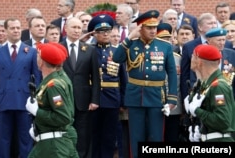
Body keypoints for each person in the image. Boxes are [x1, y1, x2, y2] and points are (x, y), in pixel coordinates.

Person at [113, 10, 177, 158]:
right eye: (149, 27)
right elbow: (117, 58)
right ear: (140, 28)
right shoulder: (131, 44)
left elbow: (172, 73)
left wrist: (172, 98)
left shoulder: (165, 46)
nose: (153, 31)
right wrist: (129, 38)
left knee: (156, 136)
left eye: (155, 27)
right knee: (136, 136)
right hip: (136, 96)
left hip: (157, 97)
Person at [0, 18, 42, 158]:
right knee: (2, 139)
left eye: (18, 28)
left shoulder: (30, 51)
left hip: (24, 101)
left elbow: (36, 77)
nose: (16, 31)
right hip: (3, 101)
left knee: (25, 138)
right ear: (6, 30)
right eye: (12, 28)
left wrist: (36, 100)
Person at [25, 43, 78, 157]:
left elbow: (62, 117)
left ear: (41, 62)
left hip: (54, 144)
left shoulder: (53, 85)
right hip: (52, 140)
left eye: (38, 55)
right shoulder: (56, 78)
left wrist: (37, 112)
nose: (36, 57)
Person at [87, 14, 127, 158]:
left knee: (109, 136)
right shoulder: (89, 51)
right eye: (101, 31)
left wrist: (123, 100)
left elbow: (123, 78)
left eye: (107, 31)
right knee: (93, 135)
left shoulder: (117, 52)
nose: (105, 34)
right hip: (93, 99)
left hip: (112, 98)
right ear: (95, 34)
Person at [60, 17, 100, 158]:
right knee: (63, 134)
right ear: (66, 28)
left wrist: (95, 100)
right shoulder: (58, 48)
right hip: (62, 100)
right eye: (74, 27)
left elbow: (96, 77)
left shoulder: (89, 50)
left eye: (79, 28)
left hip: (83, 101)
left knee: (82, 135)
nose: (77, 31)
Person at [185, 44, 235, 142]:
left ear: (199, 62)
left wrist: (197, 111)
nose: (191, 58)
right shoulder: (206, 84)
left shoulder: (218, 87)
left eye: (193, 56)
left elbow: (222, 121)